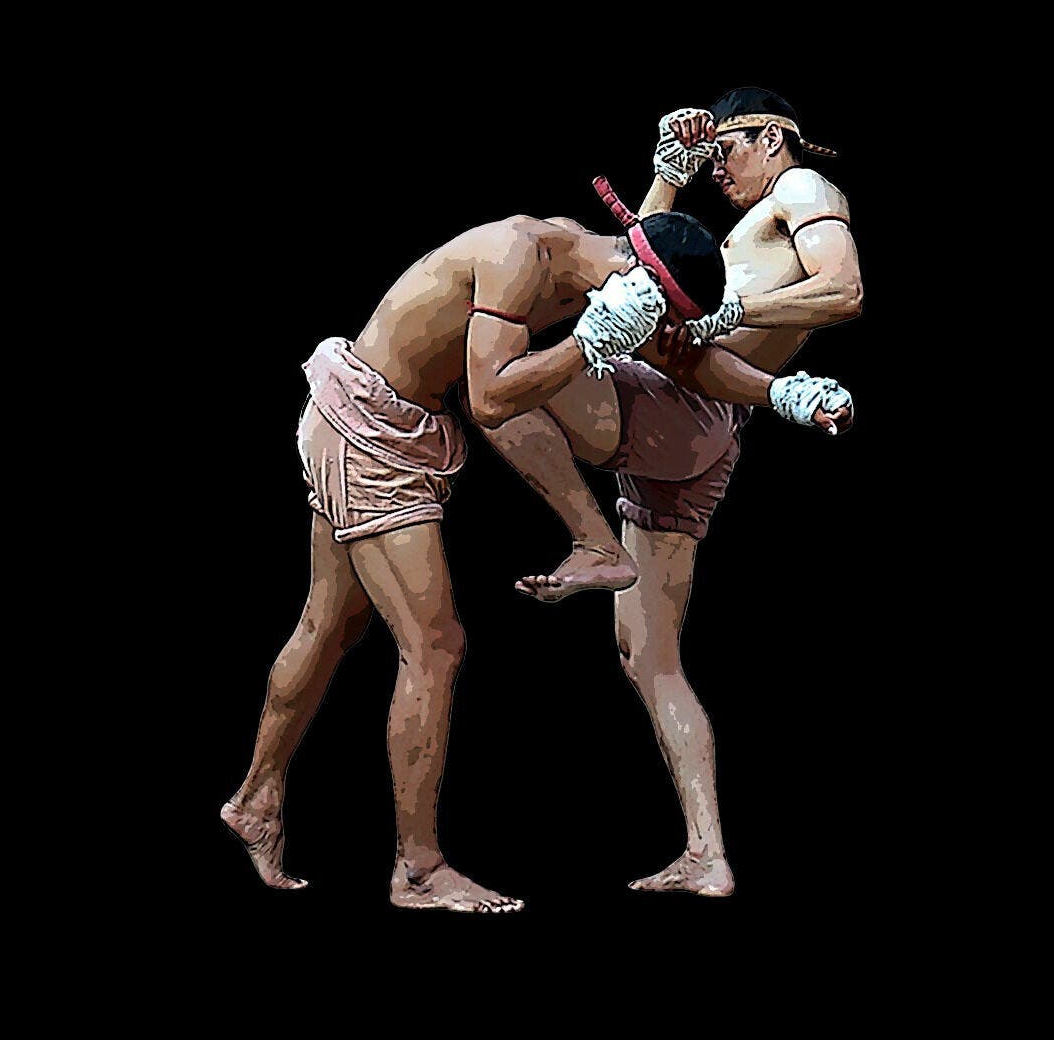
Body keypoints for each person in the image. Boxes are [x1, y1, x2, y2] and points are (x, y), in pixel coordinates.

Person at [224, 204, 825, 912]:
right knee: (434, 648)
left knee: (328, 625)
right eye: (661, 317)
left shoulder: (598, 273)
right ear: (638, 282)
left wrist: (781, 393)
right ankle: (418, 871)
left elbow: (687, 363)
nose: (656, 339)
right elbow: (490, 399)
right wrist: (586, 344)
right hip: (372, 436)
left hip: (385, 426)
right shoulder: (520, 254)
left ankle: (254, 802)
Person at [479, 88, 862, 897]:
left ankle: (588, 538)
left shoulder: (803, 188)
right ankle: (706, 855)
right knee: (647, 654)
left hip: (677, 404)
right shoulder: (748, 225)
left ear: (770, 137)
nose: (719, 170)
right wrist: (669, 173)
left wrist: (728, 310)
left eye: (727, 151)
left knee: (495, 382)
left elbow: (843, 290)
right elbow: (639, 266)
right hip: (699, 433)